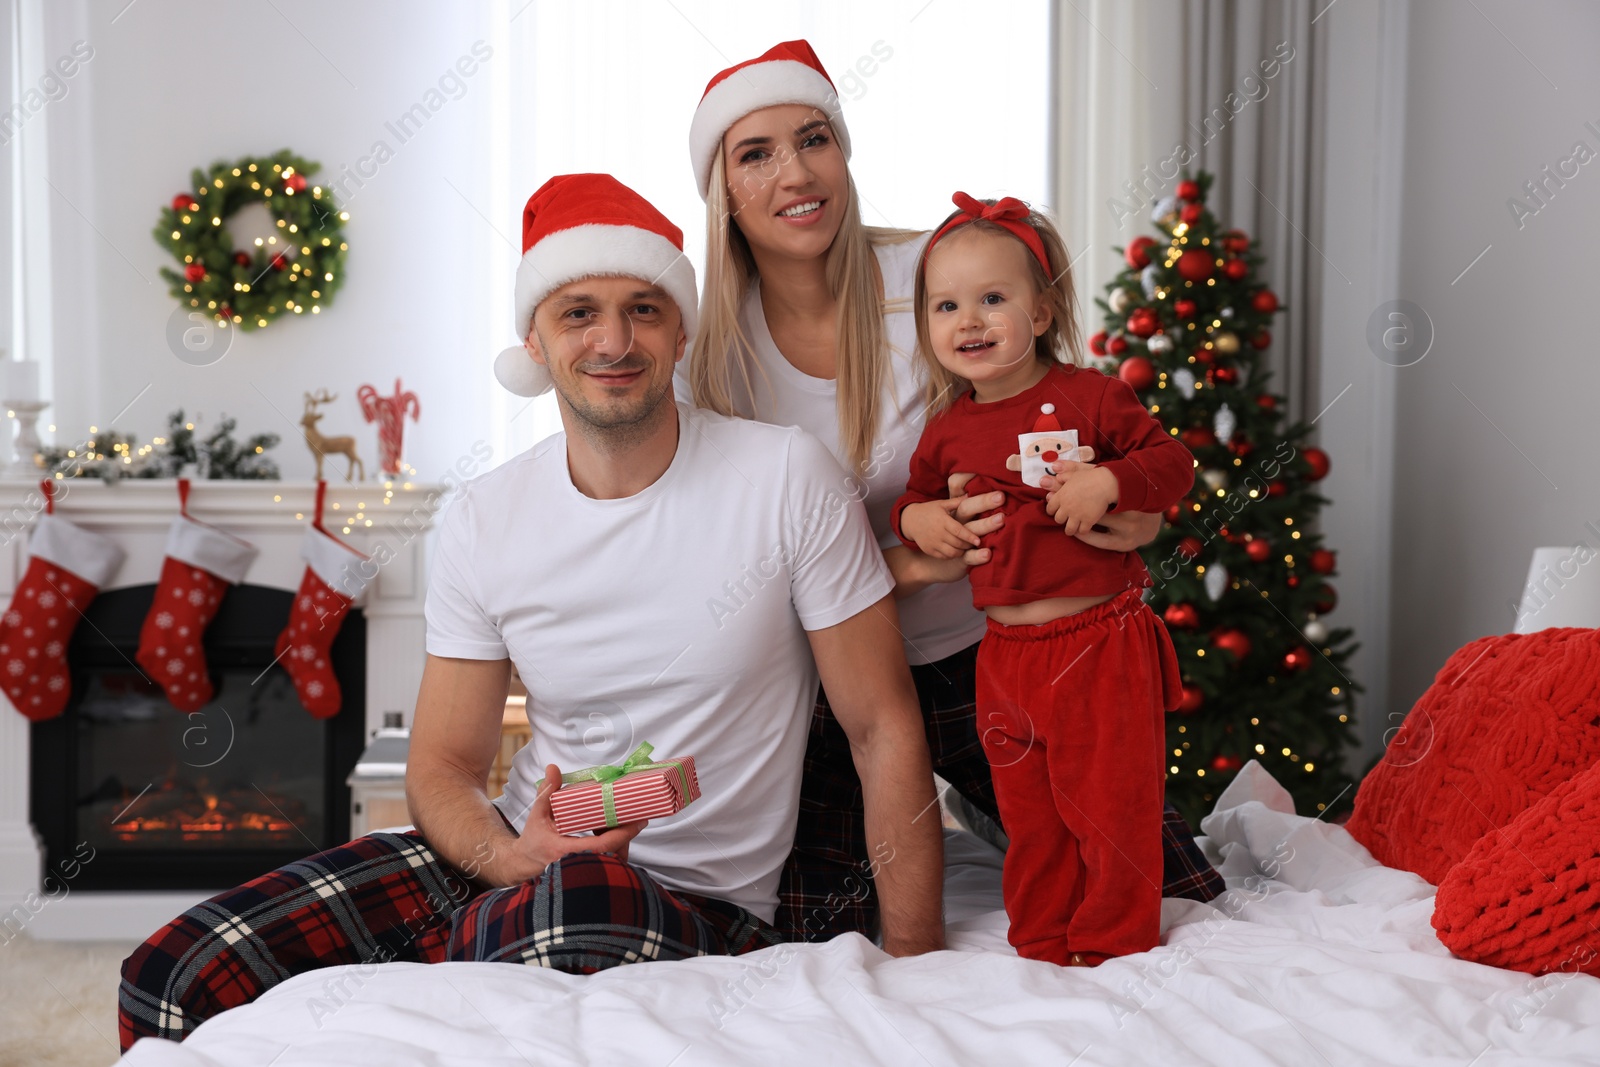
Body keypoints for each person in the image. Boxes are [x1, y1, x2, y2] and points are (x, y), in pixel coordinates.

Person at [118, 173, 945, 1050]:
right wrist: (510, 858)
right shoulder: (485, 515)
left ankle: (450, 971)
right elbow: (442, 764)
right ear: (536, 343)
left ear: (682, 331)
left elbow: (881, 725)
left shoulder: (786, 476)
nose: (615, 340)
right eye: (579, 312)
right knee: (172, 973)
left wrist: (920, 964)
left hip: (693, 895)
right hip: (512, 856)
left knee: (568, 913)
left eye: (645, 309)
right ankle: (472, 941)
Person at [681, 39, 1224, 941]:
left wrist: (1128, 513)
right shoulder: (710, 364)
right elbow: (739, 578)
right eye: (756, 153)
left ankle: (995, 804)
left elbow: (1069, 425)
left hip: (994, 654)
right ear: (723, 190)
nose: (795, 171)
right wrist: (902, 560)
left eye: (814, 138)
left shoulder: (933, 281)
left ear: (844, 153)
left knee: (1169, 884)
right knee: (822, 924)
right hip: (833, 686)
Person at [895, 192, 1191, 965]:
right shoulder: (948, 427)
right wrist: (917, 523)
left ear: (1041, 309)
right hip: (1004, 657)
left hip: (1098, 643)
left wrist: (1115, 484)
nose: (970, 320)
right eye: (946, 304)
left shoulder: (1092, 396)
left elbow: (1172, 463)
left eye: (994, 298)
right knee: (1031, 811)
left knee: (1111, 806)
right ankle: (1042, 938)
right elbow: (917, 504)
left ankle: (1114, 941)